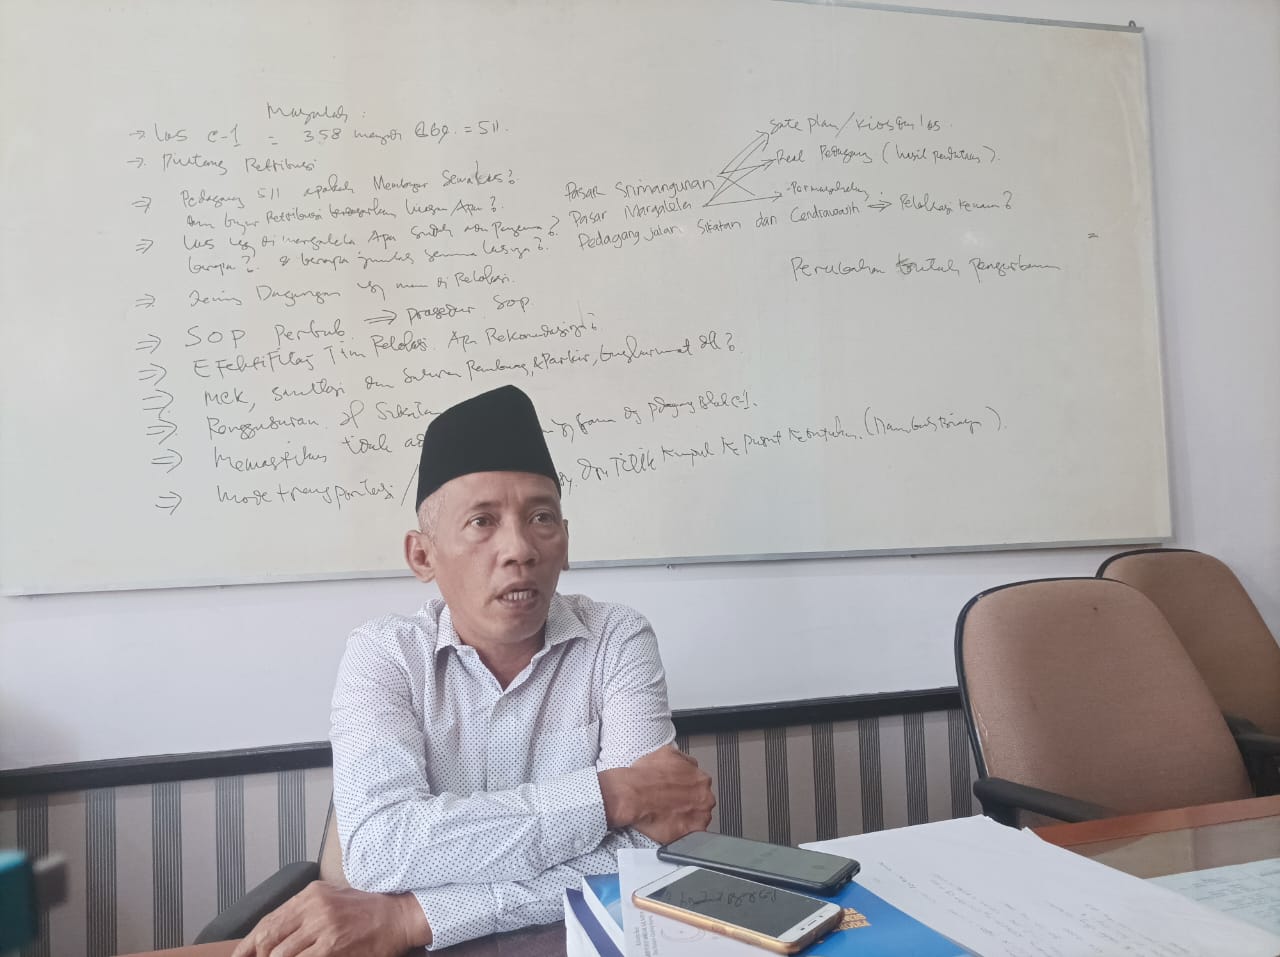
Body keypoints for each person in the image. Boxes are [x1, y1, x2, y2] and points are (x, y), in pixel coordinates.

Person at [233, 385, 714, 956]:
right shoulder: (384, 655)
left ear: (565, 543)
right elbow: (380, 850)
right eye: (482, 521)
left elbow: (643, 855)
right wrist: (609, 797)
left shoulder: (616, 640)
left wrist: (414, 914)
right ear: (422, 556)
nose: (520, 549)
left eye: (542, 518)